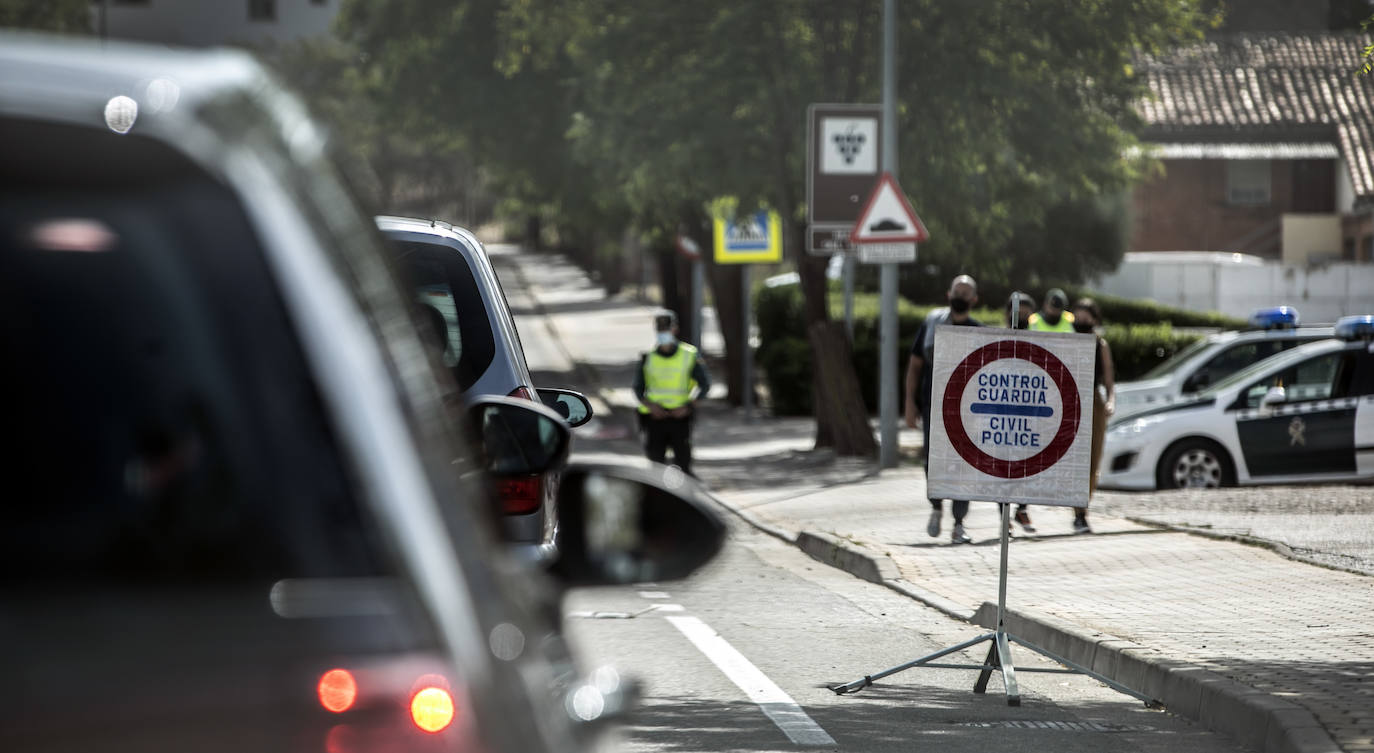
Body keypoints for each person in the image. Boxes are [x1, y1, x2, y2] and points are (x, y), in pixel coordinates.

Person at [905, 275, 982, 544]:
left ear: (974, 300)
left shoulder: (978, 331)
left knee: (963, 463)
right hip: (932, 406)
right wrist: (909, 403)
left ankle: (959, 523)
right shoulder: (932, 325)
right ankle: (936, 506)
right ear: (948, 294)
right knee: (933, 460)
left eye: (966, 292)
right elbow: (915, 366)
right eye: (957, 291)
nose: (960, 296)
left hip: (967, 411)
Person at [634, 309, 711, 475]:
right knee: (654, 468)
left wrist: (688, 407)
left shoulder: (689, 354)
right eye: (660, 330)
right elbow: (638, 388)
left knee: (684, 465)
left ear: (675, 329)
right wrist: (651, 406)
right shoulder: (648, 357)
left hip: (680, 418)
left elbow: (705, 384)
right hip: (655, 419)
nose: (663, 333)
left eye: (666, 329)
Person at [1070, 297, 1115, 533]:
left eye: (1086, 317)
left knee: (1092, 456)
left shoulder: (1101, 345)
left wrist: (1110, 402)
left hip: (1092, 399)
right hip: (1068, 398)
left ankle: (1081, 511)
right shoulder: (1066, 340)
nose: (1081, 321)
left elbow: (1108, 379)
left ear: (1095, 320)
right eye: (1077, 316)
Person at [1004, 292, 1037, 534]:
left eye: (1027, 313)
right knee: (1001, 469)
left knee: (1026, 466)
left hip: (1029, 415)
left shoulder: (1038, 340)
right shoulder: (997, 338)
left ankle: (1022, 508)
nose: (1022, 317)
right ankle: (1004, 517)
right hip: (1002, 415)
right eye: (1019, 312)